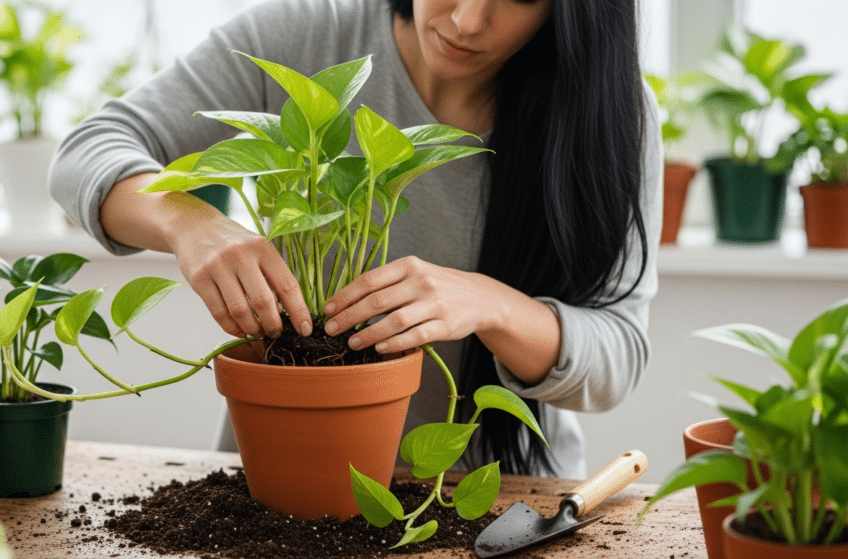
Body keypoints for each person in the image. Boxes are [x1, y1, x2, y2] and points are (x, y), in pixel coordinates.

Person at [50, 0, 662, 479]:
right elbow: (88, 151)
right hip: (283, 480)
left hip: (501, 500)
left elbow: (617, 358)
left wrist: (491, 305)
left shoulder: (604, 114)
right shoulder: (304, 38)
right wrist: (189, 222)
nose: (468, 20)